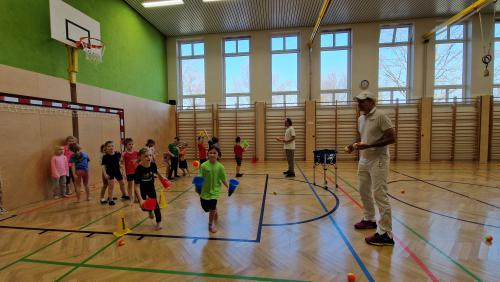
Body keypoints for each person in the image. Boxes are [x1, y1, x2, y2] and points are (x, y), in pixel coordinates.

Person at [346, 91, 395, 246]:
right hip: (364, 159)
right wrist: (353, 146)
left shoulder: (380, 115)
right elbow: (363, 138)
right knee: (363, 189)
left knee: (379, 194)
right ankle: (369, 219)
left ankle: (386, 233)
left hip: (378, 160)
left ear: (371, 101)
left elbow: (392, 137)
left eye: (362, 101)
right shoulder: (361, 118)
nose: (359, 104)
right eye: (358, 101)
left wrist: (370, 145)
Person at [197, 146, 228, 233]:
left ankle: (210, 224)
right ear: (208, 154)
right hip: (204, 191)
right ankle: (214, 210)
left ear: (218, 155)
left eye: (214, 153)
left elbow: (223, 178)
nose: (212, 154)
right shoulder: (203, 165)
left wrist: (228, 187)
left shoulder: (220, 167)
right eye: (210, 152)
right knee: (205, 208)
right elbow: (200, 175)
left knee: (212, 207)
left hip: (215, 191)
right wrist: (197, 185)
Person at [134, 147, 165, 231]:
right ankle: (149, 210)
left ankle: (159, 222)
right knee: (144, 207)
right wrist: (140, 200)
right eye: (146, 156)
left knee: (155, 205)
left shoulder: (153, 165)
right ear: (140, 157)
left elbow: (156, 171)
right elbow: (136, 186)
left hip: (151, 187)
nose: (149, 158)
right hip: (141, 189)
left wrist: (162, 178)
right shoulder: (138, 169)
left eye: (150, 155)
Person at [101, 141, 129, 205]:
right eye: (109, 146)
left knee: (122, 183)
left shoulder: (117, 154)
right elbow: (103, 166)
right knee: (111, 186)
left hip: (117, 171)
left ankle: (124, 195)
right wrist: (105, 174)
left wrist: (122, 170)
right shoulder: (105, 157)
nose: (111, 147)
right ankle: (110, 199)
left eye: (112, 146)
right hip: (110, 172)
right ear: (106, 148)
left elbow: (120, 162)